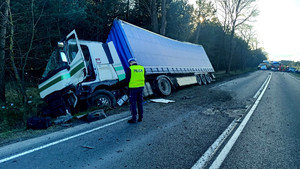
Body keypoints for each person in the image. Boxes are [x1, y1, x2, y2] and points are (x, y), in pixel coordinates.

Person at [126, 58, 145, 123]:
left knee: (133, 104)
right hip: (141, 87)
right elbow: (144, 76)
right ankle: (140, 118)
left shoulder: (130, 68)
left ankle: (134, 119)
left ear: (130, 63)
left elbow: (127, 80)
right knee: (140, 103)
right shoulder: (142, 68)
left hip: (133, 88)